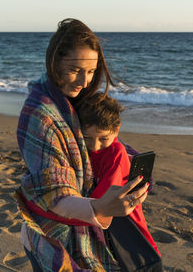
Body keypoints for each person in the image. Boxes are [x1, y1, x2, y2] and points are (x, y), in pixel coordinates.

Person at [15, 18, 149, 271]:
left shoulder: (72, 103)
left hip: (80, 229)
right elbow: (55, 195)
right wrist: (99, 206)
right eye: (75, 69)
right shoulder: (41, 115)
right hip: (48, 237)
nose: (84, 81)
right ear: (55, 63)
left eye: (90, 71)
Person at [76, 92, 160, 255]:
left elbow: (104, 198)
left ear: (116, 130)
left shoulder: (116, 153)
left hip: (129, 226)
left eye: (103, 138)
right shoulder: (86, 150)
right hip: (110, 222)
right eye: (87, 138)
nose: (95, 145)